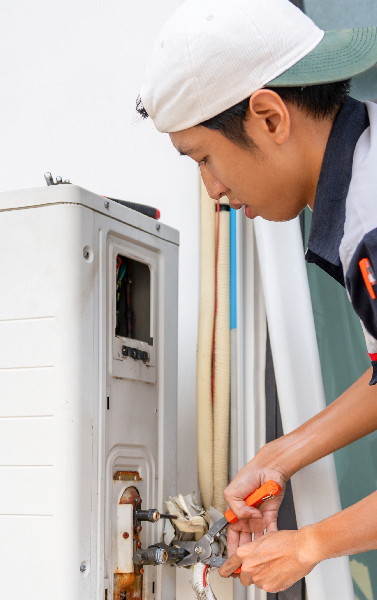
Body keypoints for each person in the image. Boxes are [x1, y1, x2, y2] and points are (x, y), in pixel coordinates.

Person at [136, 0, 377, 593]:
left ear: (269, 118)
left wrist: (313, 543)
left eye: (203, 157)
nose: (212, 188)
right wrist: (281, 454)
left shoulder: (371, 228)